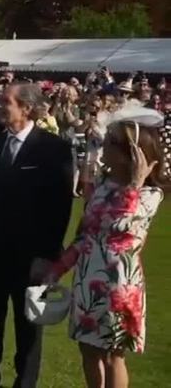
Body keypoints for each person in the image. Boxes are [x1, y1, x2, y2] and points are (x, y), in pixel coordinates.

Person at [0, 83, 74, 388]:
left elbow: (59, 210)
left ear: (27, 108)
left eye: (5, 101)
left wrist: (47, 258)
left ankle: (26, 383)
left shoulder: (53, 148)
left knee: (29, 328)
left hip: (31, 259)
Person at [48, 106, 167, 388]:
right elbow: (85, 234)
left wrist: (135, 183)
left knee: (114, 354)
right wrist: (58, 268)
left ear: (132, 153)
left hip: (119, 284)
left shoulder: (150, 194)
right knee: (87, 349)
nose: (103, 148)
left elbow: (121, 225)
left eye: (111, 142)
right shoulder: (102, 185)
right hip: (88, 278)